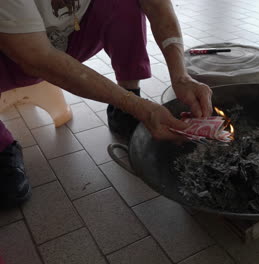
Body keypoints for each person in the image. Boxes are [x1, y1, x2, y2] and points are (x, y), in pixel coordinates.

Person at [0, 0, 213, 208]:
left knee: (124, 4)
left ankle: (126, 101)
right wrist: (139, 107)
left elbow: (157, 5)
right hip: (13, 53)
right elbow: (36, 56)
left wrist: (181, 76)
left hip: (67, 34)